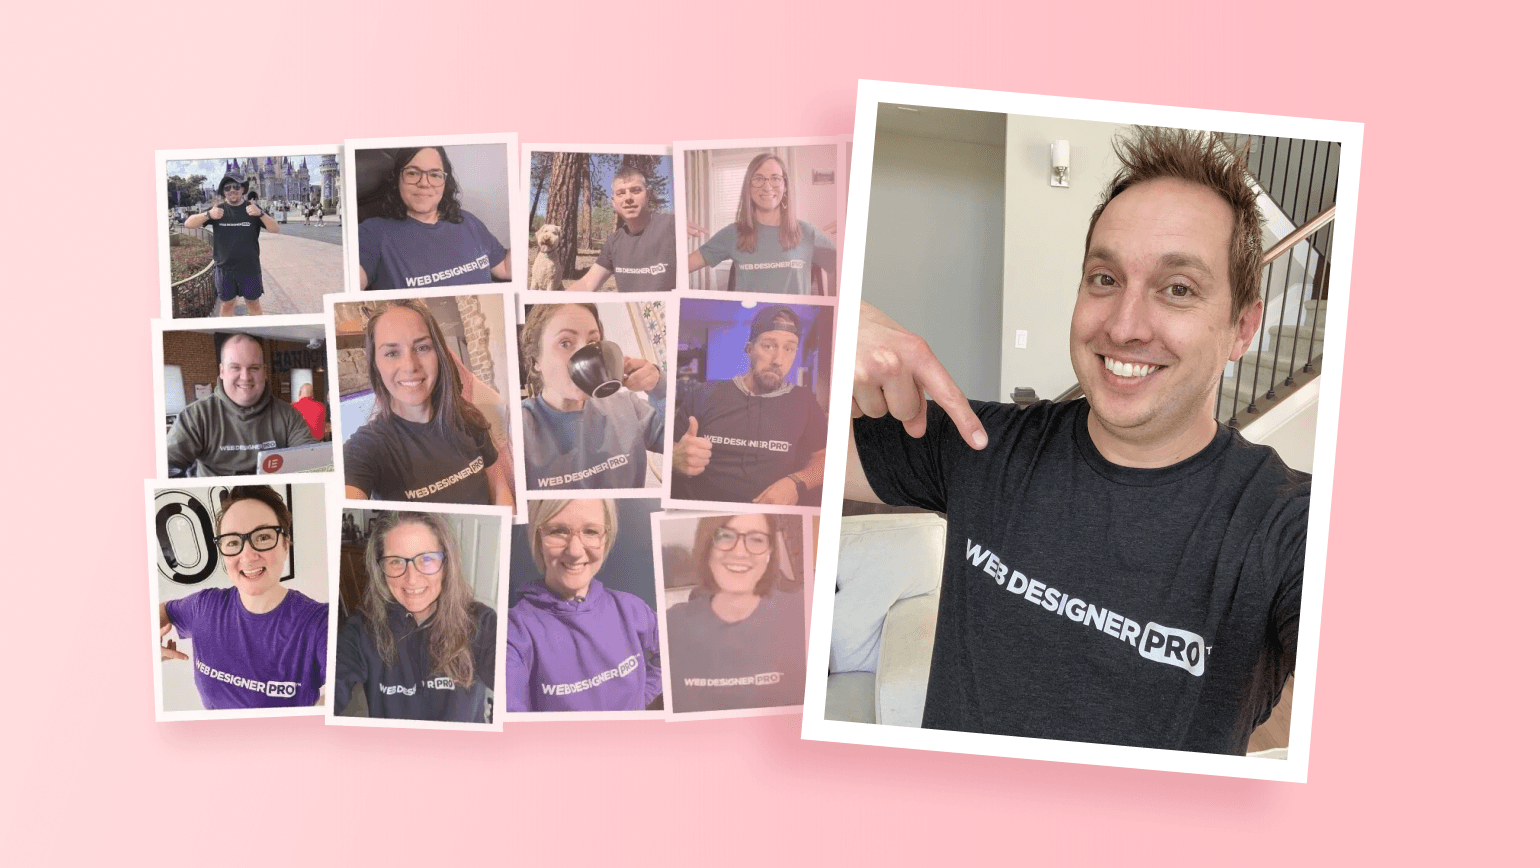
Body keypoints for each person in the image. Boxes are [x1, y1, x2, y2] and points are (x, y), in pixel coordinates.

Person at [847, 127, 1306, 755]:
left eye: (1178, 288)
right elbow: (734, 453)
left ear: (1242, 328)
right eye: (1105, 278)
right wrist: (817, 331)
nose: (1124, 325)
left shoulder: (1287, 526)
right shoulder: (981, 445)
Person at [159, 485, 329, 710]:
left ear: (285, 545)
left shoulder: (320, 623)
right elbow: (163, 611)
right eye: (233, 542)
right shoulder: (204, 607)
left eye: (263, 537)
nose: (247, 556)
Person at [344, 300, 513, 505]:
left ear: (439, 354)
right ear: (375, 364)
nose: (410, 366)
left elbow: (501, 491)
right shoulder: (365, 448)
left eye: (422, 347)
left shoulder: (469, 419)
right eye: (392, 353)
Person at [334, 511, 498, 722]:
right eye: (395, 561)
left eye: (426, 559)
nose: (411, 579)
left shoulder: (482, 623)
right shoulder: (361, 629)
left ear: (447, 564)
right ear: (380, 568)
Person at [506, 499, 662, 712]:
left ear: (605, 538)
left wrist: (640, 698)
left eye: (590, 531)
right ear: (538, 538)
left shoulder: (631, 609)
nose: (575, 551)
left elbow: (673, 652)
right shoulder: (514, 633)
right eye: (558, 531)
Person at [672, 304, 826, 505]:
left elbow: (827, 458)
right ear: (750, 349)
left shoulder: (804, 402)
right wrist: (674, 458)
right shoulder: (704, 393)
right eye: (769, 346)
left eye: (789, 349)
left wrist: (797, 482)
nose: (778, 360)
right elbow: (667, 448)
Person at [666, 513, 805, 712]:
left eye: (756, 539)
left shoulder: (801, 615)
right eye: (725, 536)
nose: (740, 552)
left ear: (769, 552)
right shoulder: (671, 626)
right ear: (707, 547)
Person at [520, 303, 664, 491]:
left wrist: (659, 386)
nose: (585, 354)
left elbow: (683, 437)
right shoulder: (518, 429)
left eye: (592, 343)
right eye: (565, 343)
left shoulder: (628, 406)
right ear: (536, 360)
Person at [357, 146, 513, 290]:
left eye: (435, 175)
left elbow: (505, 268)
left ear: (445, 182)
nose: (424, 183)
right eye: (412, 173)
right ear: (398, 178)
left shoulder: (467, 221)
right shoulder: (372, 233)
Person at [166, 333, 318, 477]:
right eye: (235, 367)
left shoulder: (288, 415)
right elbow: (165, 466)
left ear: (264, 372)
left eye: (254, 368)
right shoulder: (196, 416)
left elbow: (311, 462)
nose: (245, 377)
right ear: (222, 371)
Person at [685, 152, 836, 295]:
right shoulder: (732, 233)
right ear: (749, 187)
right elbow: (681, 268)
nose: (767, 186)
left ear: (785, 186)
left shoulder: (808, 232)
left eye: (775, 178)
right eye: (758, 179)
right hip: (748, 315)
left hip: (794, 315)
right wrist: (673, 237)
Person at [562, 165, 677, 293]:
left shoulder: (672, 225)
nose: (628, 198)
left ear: (648, 194)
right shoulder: (614, 242)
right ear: (614, 202)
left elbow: (698, 255)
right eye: (621, 193)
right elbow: (587, 284)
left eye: (636, 191)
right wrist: (557, 301)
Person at [184, 173, 280, 316]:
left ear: (243, 189)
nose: (232, 190)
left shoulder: (253, 209)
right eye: (227, 188)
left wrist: (260, 213)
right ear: (224, 192)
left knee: (253, 304)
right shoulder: (217, 210)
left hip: (250, 269)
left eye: (236, 186)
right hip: (225, 270)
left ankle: (257, 329)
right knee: (226, 305)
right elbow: (188, 224)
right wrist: (208, 215)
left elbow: (275, 229)